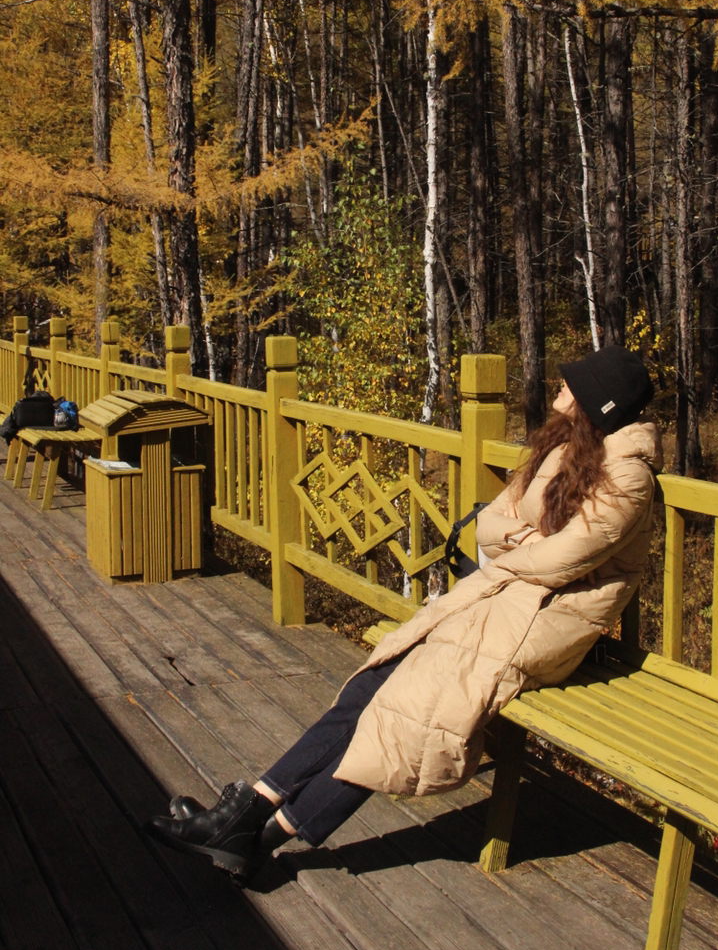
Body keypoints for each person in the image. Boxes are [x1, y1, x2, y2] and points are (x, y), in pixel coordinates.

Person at [147, 344, 662, 883]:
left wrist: (520, 543)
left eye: (573, 383)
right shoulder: (562, 448)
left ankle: (260, 837)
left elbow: (560, 562)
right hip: (501, 600)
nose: (560, 386)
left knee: (404, 710)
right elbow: (490, 524)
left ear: (596, 403)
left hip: (543, 624)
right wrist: (525, 540)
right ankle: (249, 813)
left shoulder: (628, 477)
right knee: (370, 685)